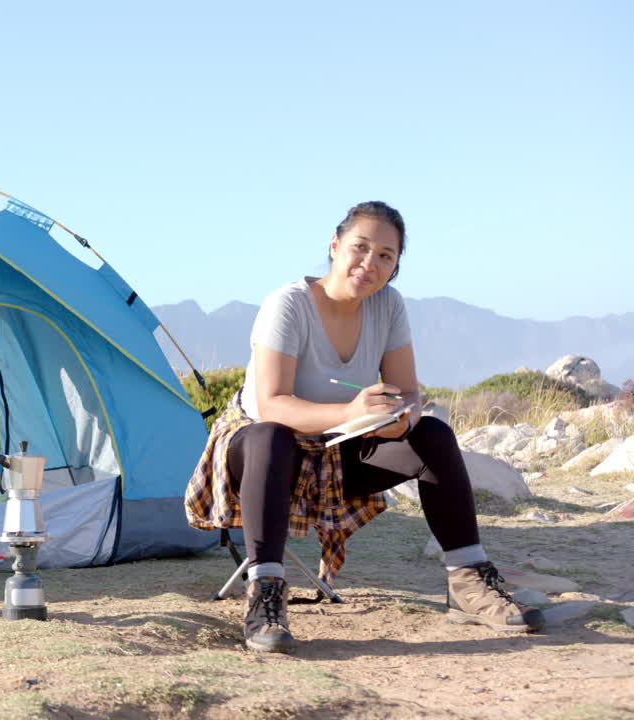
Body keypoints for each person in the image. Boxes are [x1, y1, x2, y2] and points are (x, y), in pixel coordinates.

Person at [185, 201, 545, 653]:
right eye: (360, 247)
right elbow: (273, 404)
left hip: (337, 448)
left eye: (385, 256)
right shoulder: (288, 304)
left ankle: (467, 580)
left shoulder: (388, 306)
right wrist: (351, 413)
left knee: (432, 434)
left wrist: (400, 421)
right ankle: (266, 592)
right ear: (335, 247)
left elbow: (409, 393)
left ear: (395, 267)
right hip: (262, 451)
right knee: (270, 436)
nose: (369, 263)